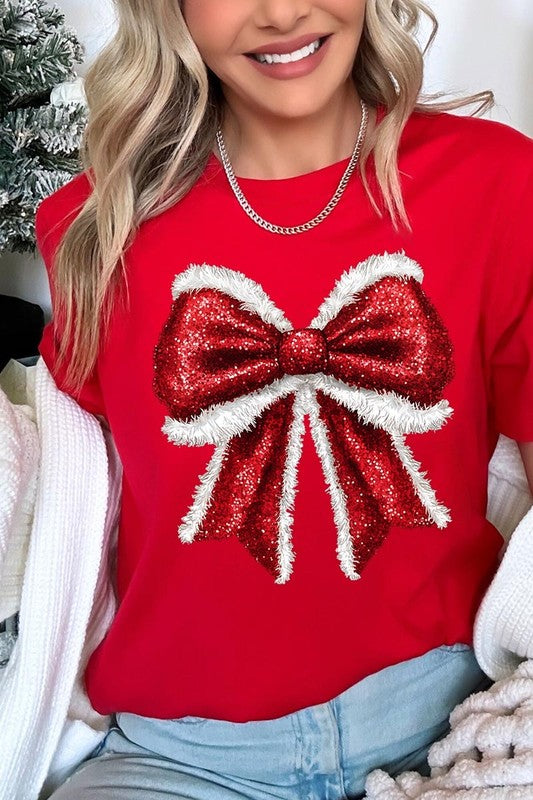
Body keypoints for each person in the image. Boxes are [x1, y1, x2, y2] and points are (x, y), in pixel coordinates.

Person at [34, 1, 533, 798]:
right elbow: (56, 482)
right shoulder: (94, 229)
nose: (281, 12)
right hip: (176, 759)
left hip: (453, 728)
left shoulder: (498, 183)